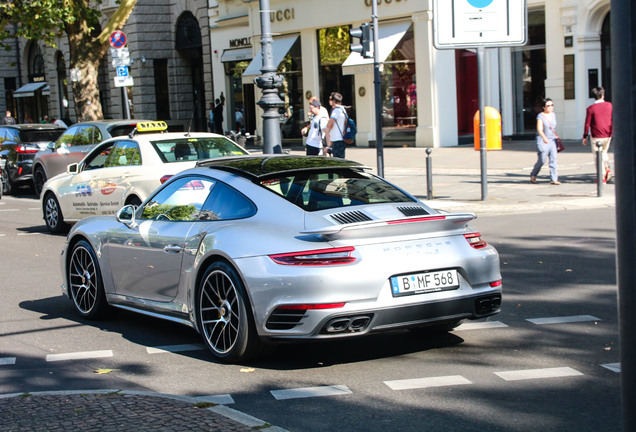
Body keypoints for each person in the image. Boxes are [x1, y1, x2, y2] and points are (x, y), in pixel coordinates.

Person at [582, 86, 613, 182]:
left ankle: (602, 176)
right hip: (608, 134)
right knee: (604, 152)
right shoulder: (609, 105)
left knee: (597, 156)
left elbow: (587, 124)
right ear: (603, 95)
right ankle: (607, 167)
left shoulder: (591, 109)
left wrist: (585, 136)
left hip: (596, 135)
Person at [530, 98, 561, 185]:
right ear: (543, 107)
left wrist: (556, 135)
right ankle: (533, 174)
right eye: (548, 106)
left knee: (553, 159)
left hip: (552, 140)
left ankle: (554, 179)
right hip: (543, 140)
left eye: (552, 105)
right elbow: (539, 129)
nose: (550, 107)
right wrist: (544, 138)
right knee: (542, 160)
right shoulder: (540, 116)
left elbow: (552, 127)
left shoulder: (553, 115)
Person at [325, 92, 347, 158]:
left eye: (330, 100)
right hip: (342, 139)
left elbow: (330, 124)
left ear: (333, 101)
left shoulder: (336, 111)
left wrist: (327, 128)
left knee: (338, 161)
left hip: (336, 140)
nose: (329, 101)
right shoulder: (343, 110)